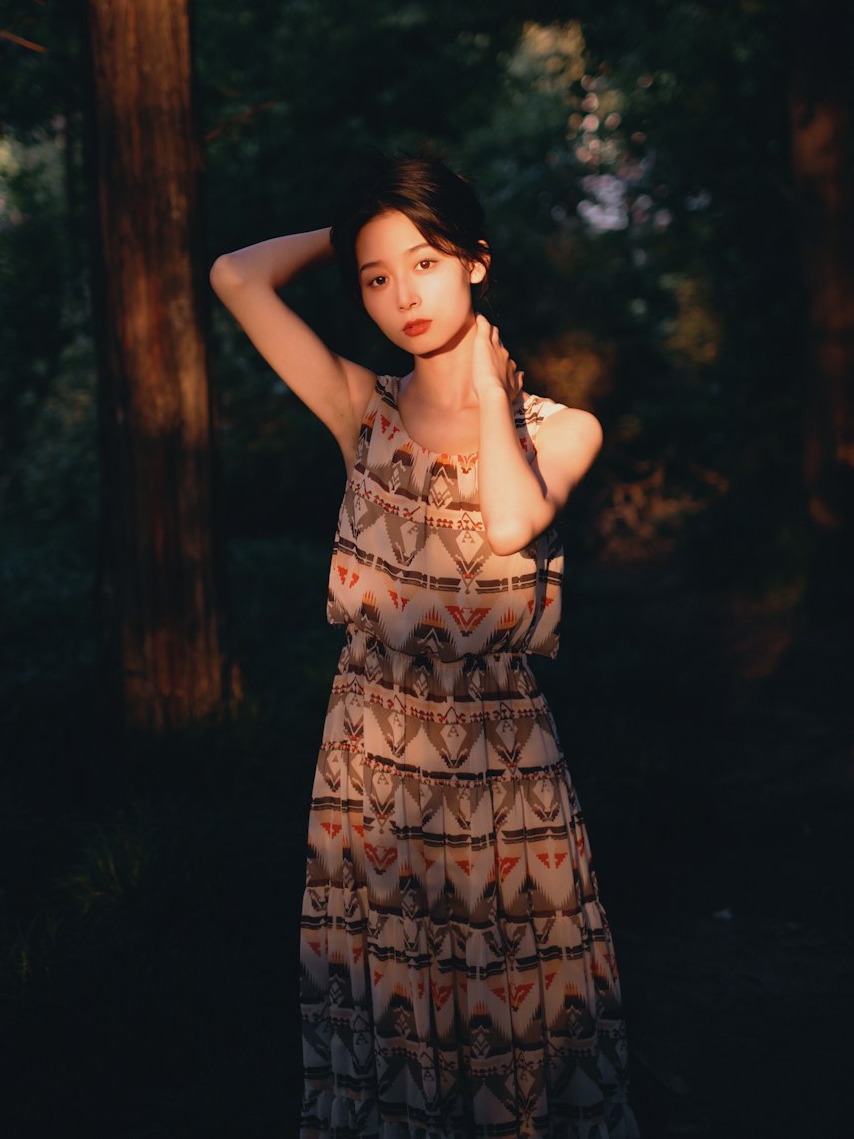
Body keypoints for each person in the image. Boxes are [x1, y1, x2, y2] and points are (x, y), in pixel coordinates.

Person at [209, 156, 638, 1139]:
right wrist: (351, 222)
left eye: (427, 261)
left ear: (476, 264)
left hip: (505, 766)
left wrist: (487, 393)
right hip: (372, 762)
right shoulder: (361, 408)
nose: (402, 293)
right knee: (390, 1013)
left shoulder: (562, 429)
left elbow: (510, 520)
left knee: (521, 1016)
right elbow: (235, 276)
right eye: (375, 276)